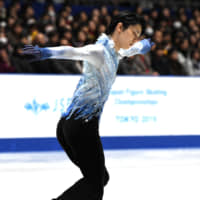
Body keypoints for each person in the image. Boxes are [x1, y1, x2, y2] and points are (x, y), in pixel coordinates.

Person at [21, 11, 154, 200]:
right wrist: (45, 52)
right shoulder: (99, 51)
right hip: (81, 126)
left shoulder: (116, 52)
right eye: (134, 33)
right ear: (119, 28)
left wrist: (143, 46)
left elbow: (130, 50)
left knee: (100, 178)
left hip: (70, 126)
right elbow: (73, 51)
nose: (135, 39)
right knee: (95, 184)